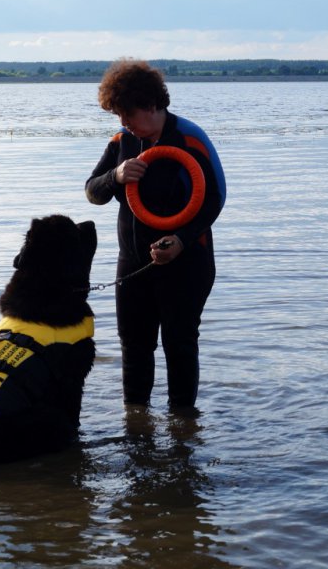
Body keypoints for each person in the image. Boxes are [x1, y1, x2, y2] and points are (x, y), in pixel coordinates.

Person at [85, 60, 226, 411]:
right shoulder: (121, 143)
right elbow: (92, 191)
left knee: (179, 344)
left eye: (127, 113)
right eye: (118, 115)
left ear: (150, 105)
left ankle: (183, 428)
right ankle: (136, 425)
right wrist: (115, 176)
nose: (123, 122)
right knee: (134, 345)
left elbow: (215, 198)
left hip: (187, 261)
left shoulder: (190, 138)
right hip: (133, 263)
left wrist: (181, 240)